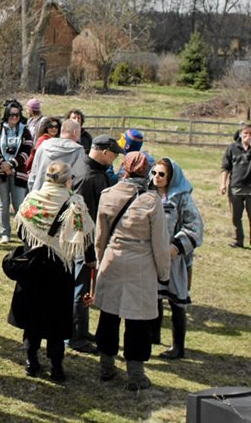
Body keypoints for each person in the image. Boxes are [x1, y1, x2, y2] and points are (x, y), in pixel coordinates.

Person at [6, 162, 94, 382]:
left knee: (33, 315)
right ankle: (56, 367)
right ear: (66, 180)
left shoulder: (33, 199)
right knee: (56, 319)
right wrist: (90, 260)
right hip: (60, 269)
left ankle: (31, 361)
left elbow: (20, 229)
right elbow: (84, 237)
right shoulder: (74, 204)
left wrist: (36, 243)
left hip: (34, 266)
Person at [94, 151, 170, 390]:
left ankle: (106, 365)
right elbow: (160, 241)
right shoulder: (151, 201)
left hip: (113, 259)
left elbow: (100, 236)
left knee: (109, 315)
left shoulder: (108, 194)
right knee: (138, 322)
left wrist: (100, 262)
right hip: (141, 262)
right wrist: (164, 273)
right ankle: (136, 375)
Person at [68, 135, 122, 354]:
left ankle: (81, 331)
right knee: (80, 290)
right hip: (83, 244)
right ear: (104, 152)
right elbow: (84, 220)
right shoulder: (89, 177)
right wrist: (90, 255)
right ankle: (75, 337)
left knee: (83, 289)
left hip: (86, 241)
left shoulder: (88, 167)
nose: (115, 158)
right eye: (114, 154)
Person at [150, 157, 203, 359]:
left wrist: (177, 246)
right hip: (153, 255)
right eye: (154, 173)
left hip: (175, 258)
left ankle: (178, 346)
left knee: (176, 301)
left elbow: (194, 226)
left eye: (161, 174)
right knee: (154, 296)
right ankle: (153, 334)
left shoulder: (182, 198)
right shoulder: (149, 193)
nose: (156, 177)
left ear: (171, 176)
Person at [0, 100, 33, 244]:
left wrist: (11, 165)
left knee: (19, 203)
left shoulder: (25, 131)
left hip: (18, 171)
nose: (14, 117)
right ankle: (5, 233)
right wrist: (2, 164)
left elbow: (27, 150)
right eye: (11, 115)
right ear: (6, 114)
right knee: (3, 203)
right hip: (0, 171)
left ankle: (23, 232)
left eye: (17, 115)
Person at [28, 119, 84, 192]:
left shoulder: (43, 146)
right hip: (63, 198)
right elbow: (79, 179)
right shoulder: (78, 151)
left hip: (39, 196)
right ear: (75, 132)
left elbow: (33, 175)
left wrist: (32, 192)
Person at [220, 122, 251, 248]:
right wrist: (223, 184)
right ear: (240, 134)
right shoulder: (232, 148)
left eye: (250, 134)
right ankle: (238, 241)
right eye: (246, 133)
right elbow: (225, 167)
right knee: (235, 217)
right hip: (235, 188)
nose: (248, 136)